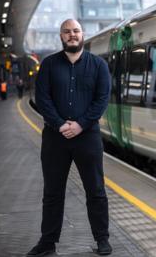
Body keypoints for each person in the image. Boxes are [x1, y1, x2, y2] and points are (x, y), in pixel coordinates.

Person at [27, 19, 112, 256]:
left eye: (75, 31)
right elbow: (43, 99)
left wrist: (81, 125)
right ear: (61, 36)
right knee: (53, 192)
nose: (72, 35)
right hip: (55, 138)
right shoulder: (49, 65)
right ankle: (47, 243)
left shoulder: (98, 65)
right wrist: (61, 124)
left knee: (96, 190)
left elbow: (101, 99)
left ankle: (102, 239)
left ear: (82, 34)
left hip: (88, 138)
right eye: (67, 31)